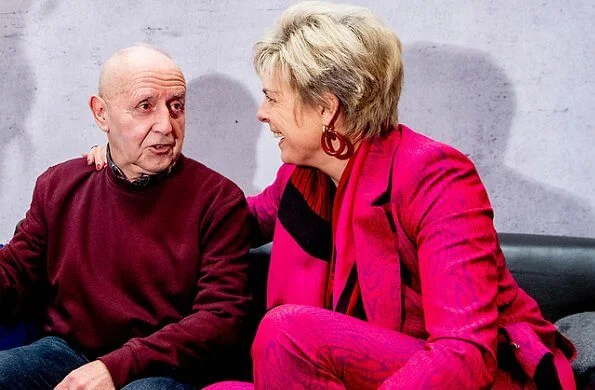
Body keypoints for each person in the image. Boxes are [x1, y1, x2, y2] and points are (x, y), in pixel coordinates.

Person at [87, 3, 576, 389]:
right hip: (372, 370)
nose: (261, 113)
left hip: (466, 378)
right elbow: (220, 219)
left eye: (273, 97)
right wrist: (122, 166)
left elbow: (461, 353)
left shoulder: (436, 175)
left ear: (326, 109)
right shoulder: (306, 178)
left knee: (287, 331)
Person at [0, 44, 252, 389]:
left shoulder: (219, 201)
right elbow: (14, 275)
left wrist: (116, 366)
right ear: (101, 114)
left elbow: (221, 319)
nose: (166, 125)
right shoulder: (58, 184)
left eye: (176, 106)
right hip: (66, 353)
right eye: (145, 107)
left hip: (161, 367)